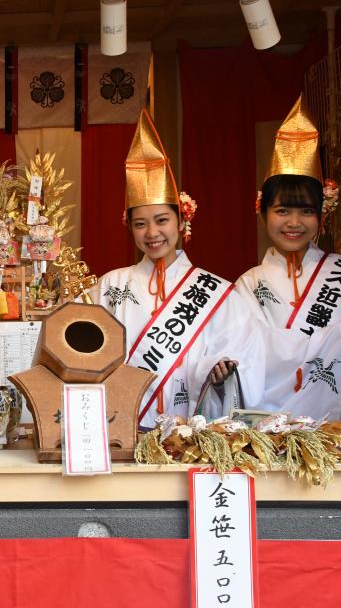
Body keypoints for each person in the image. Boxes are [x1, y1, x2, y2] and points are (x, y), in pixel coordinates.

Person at [92, 111, 264, 427]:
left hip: (192, 429)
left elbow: (244, 354)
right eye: (140, 224)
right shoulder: (111, 285)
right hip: (121, 425)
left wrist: (214, 367)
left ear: (182, 221)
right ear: (129, 227)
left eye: (162, 221)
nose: (152, 233)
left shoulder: (218, 292)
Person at [236, 96, 341, 422]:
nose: (294, 223)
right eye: (282, 211)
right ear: (262, 213)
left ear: (322, 215)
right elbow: (252, 351)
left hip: (340, 424)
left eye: (306, 211)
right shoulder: (248, 284)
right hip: (268, 427)